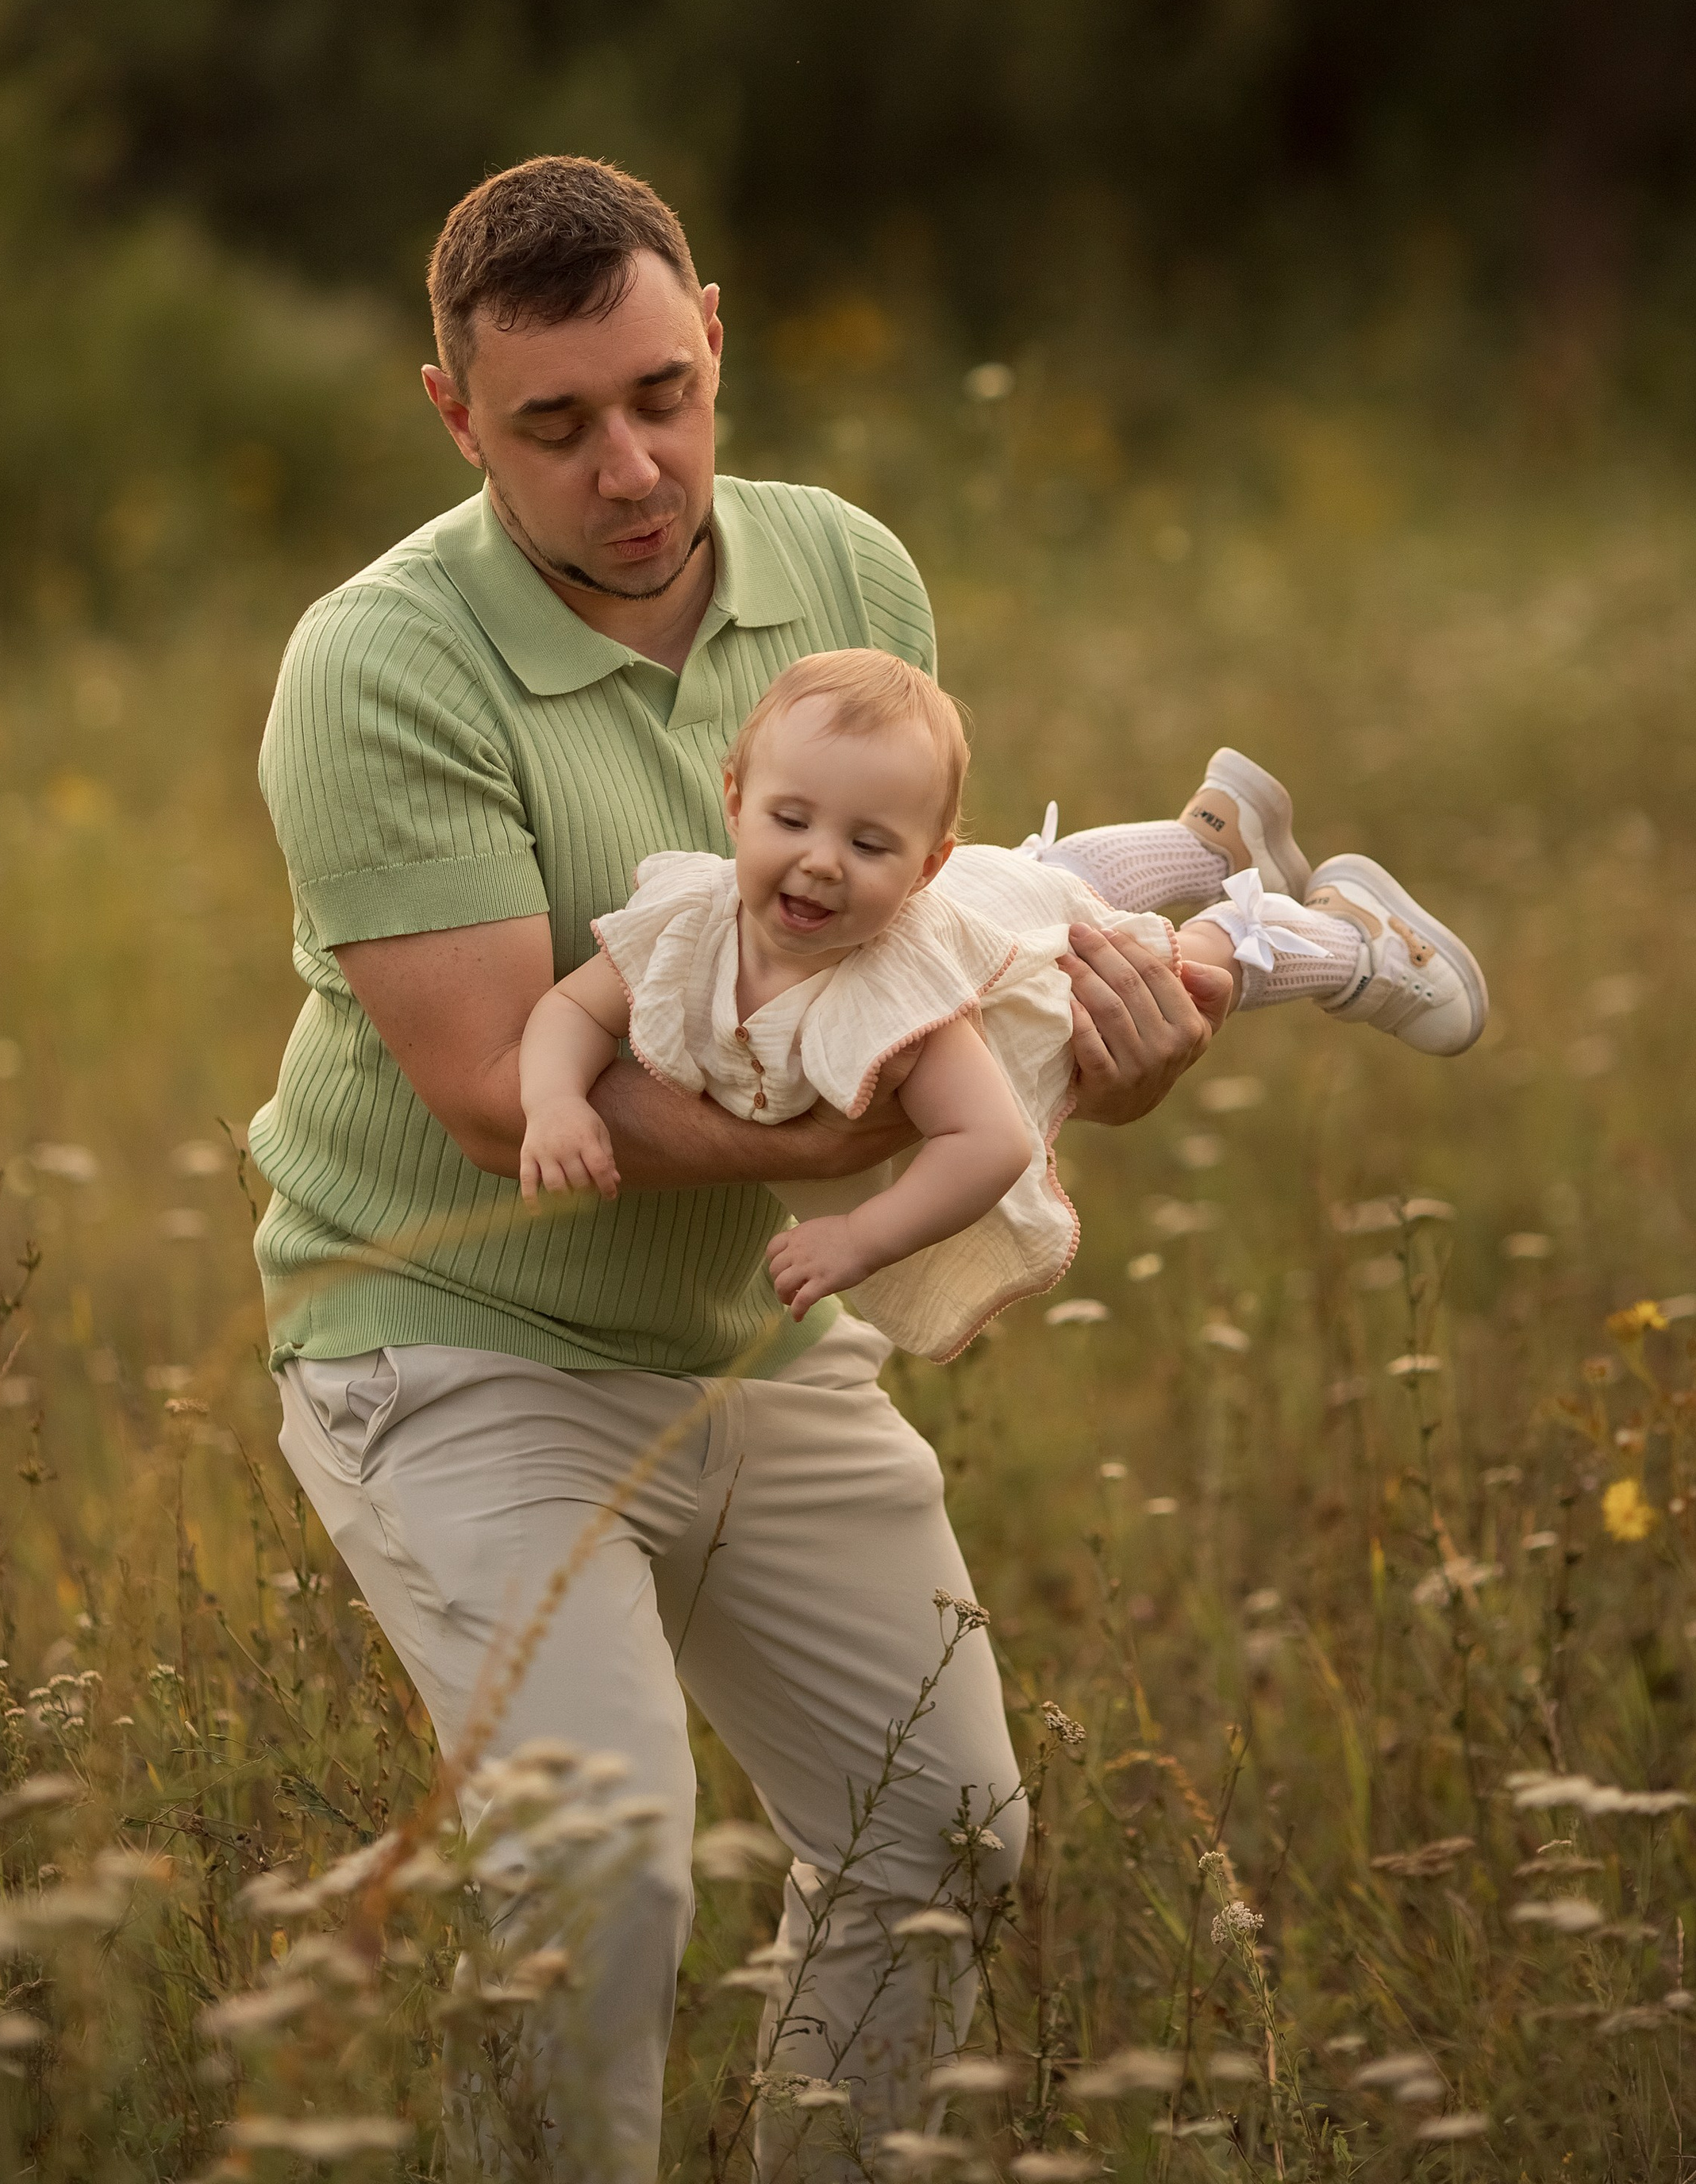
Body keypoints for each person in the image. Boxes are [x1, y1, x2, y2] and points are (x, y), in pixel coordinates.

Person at [251, 156, 1246, 2181]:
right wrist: (908, 1127)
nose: (631, 466)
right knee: (601, 1876)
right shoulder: (376, 666)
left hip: (750, 1333)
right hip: (453, 1346)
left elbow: (917, 943)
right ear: (453, 415)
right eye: (554, 424)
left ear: (716, 333)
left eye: (662, 393)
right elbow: (501, 1098)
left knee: (941, 1830)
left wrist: (1085, 1072)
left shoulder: (848, 573)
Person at [518, 648, 1485, 1360]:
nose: (819, 859)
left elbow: (989, 1144)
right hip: (994, 902)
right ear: (734, 802)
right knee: (1047, 878)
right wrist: (557, 1103)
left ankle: (1332, 937)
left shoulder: (907, 1006)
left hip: (1024, 989)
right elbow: (574, 1009)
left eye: (867, 844)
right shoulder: (690, 920)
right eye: (790, 819)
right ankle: (1207, 841)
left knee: (1161, 966)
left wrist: (862, 1236)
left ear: (926, 864)